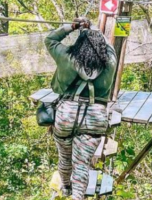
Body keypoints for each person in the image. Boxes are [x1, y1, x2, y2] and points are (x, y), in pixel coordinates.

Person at [44, 17, 117, 199]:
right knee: (82, 164)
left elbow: (50, 39)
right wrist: (93, 29)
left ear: (79, 44)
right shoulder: (110, 63)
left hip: (66, 114)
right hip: (95, 116)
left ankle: (66, 188)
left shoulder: (66, 57)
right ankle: (77, 197)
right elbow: (108, 46)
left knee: (65, 157)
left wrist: (74, 26)